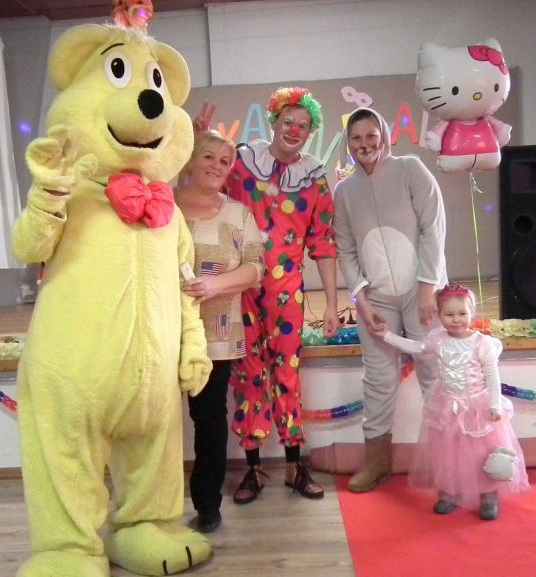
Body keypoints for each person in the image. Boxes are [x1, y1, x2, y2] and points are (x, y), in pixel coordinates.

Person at [196, 87, 340, 504]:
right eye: (288, 122)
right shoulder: (242, 162)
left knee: (287, 373)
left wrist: (333, 304)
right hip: (239, 289)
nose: (294, 130)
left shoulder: (315, 179)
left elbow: (323, 243)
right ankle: (254, 468)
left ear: (310, 133)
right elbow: (203, 181)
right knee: (248, 375)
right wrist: (197, 139)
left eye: (303, 126)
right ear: (274, 122)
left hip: (287, 293)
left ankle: (295, 464)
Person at [332, 107, 447, 493]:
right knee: (378, 381)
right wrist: (362, 304)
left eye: (371, 135)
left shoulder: (410, 169)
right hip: (376, 300)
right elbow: (346, 250)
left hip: (421, 293)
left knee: (434, 374)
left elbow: (433, 228)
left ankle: (447, 460)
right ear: (348, 143)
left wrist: (428, 287)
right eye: (356, 138)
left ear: (383, 134)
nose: (364, 144)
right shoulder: (344, 192)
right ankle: (377, 462)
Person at [371, 283, 529, 520]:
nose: (456, 320)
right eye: (449, 314)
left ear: (472, 312)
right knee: (448, 454)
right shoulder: (438, 339)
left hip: (476, 407)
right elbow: (418, 347)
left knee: (482, 453)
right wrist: (387, 336)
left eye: (462, 313)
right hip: (446, 406)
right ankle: (449, 492)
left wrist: (495, 405)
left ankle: (488, 495)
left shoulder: (483, 344)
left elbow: (492, 376)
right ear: (439, 315)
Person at [176, 130, 265, 533]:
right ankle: (152, 509)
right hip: (163, 331)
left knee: (209, 420)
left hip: (217, 335)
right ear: (191, 160)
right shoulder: (165, 207)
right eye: (208, 156)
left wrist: (214, 285)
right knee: (156, 422)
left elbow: (256, 268)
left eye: (224, 161)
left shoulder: (239, 214)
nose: (216, 166)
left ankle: (207, 505)